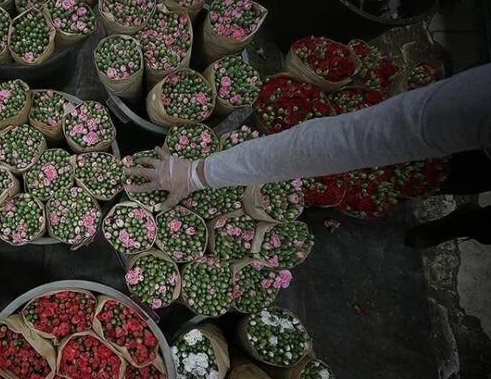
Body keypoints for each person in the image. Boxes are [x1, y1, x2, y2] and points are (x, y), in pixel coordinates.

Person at [125, 63, 491, 246]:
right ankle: (469, 223)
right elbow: (350, 139)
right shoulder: (477, 103)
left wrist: (195, 174)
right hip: (461, 129)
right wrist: (195, 175)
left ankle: (470, 224)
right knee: (456, 173)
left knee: (445, 177)